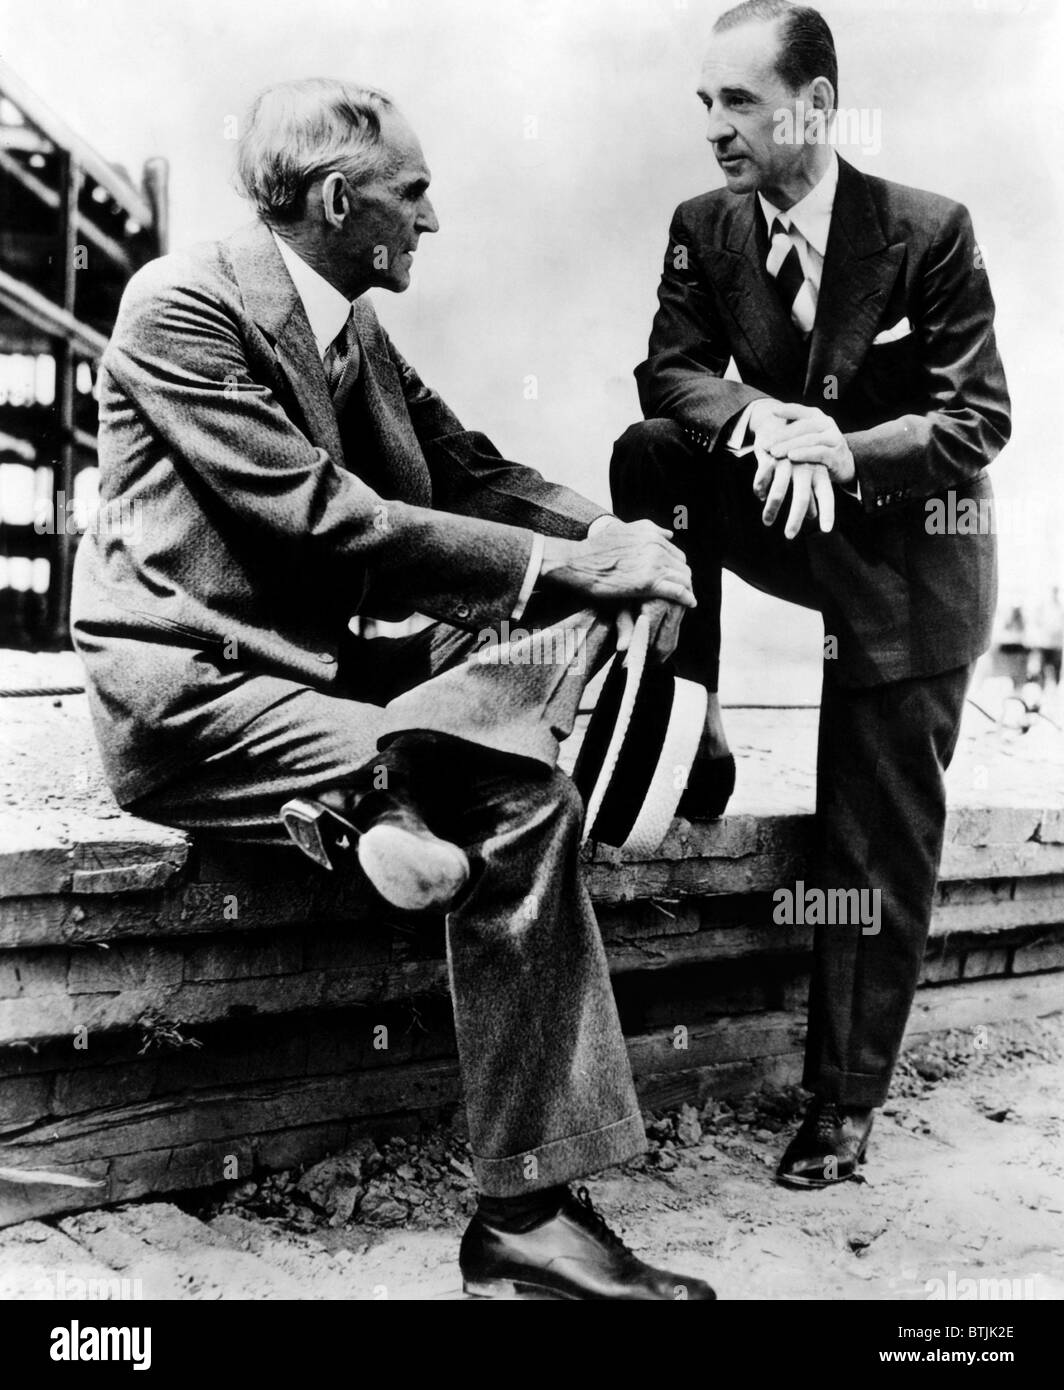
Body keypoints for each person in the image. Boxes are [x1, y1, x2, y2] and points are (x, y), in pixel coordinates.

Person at [70, 78, 713, 1300]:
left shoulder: (349, 329)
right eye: (411, 192)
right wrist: (571, 570)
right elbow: (325, 523)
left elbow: (470, 472)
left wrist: (622, 543)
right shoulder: (182, 306)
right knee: (522, 800)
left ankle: (393, 792)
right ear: (334, 197)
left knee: (563, 656)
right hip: (201, 692)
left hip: (320, 666)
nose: (432, 217)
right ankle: (522, 1215)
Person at [610, 0, 1011, 1187]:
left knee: (863, 844)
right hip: (789, 512)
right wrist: (760, 418)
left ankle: (841, 1106)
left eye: (736, 101)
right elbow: (670, 369)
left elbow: (974, 417)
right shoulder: (702, 227)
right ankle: (699, 722)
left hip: (910, 564)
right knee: (653, 454)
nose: (713, 130)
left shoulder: (927, 230)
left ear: (816, 106)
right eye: (704, 104)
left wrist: (840, 446)